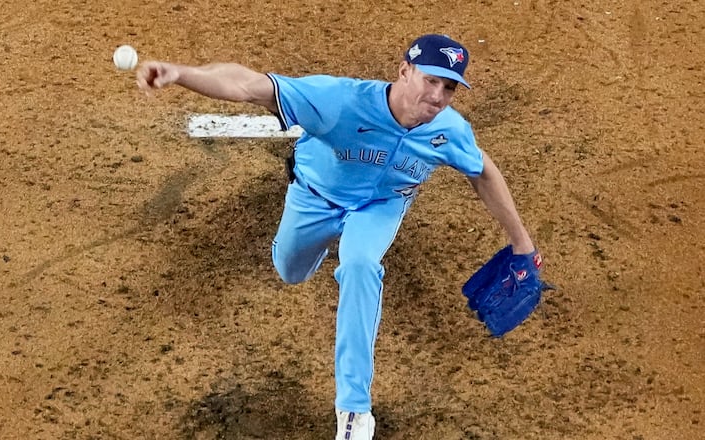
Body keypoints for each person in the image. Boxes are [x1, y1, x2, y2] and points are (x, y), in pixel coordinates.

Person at [136, 34, 539, 440]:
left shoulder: (448, 129)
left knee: (361, 265)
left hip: (379, 208)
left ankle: (354, 413)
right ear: (404, 71)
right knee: (290, 270)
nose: (437, 95)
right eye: (430, 80)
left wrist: (522, 242)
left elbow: (482, 170)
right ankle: (311, 244)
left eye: (449, 87)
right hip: (315, 197)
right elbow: (249, 85)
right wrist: (181, 74)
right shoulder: (340, 101)